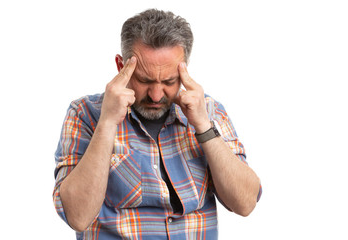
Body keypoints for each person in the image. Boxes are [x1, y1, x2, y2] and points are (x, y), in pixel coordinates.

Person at [53, 9, 262, 239]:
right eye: (144, 80)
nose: (155, 95)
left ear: (184, 70)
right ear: (120, 66)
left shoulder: (209, 111)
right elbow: (77, 217)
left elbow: (245, 203)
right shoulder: (85, 114)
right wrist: (107, 123)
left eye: (169, 81)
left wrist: (203, 126)